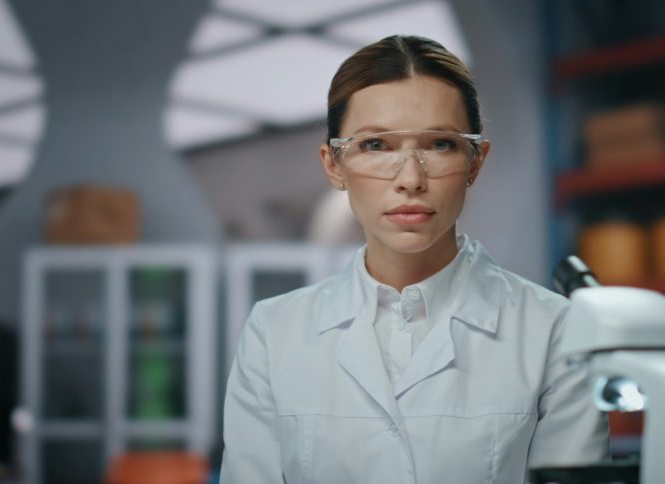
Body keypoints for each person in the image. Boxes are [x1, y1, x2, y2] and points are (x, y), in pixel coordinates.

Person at [220, 34, 609, 484]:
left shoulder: (555, 331)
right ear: (333, 165)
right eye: (375, 146)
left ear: (476, 162)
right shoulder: (274, 333)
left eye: (439, 144)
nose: (409, 179)